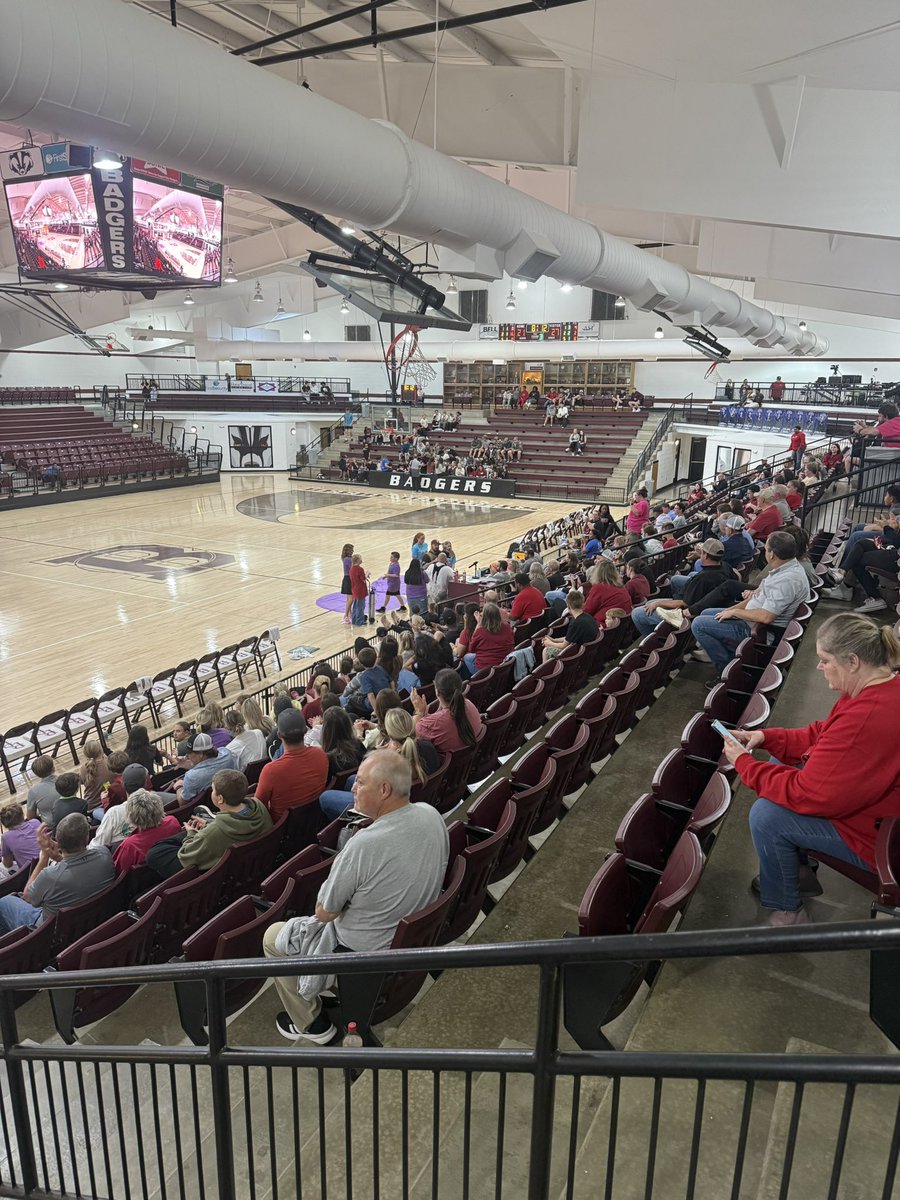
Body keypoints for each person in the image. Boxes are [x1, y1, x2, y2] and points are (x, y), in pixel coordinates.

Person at [722, 614, 900, 925]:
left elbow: (809, 794)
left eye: (824, 660)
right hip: (878, 810)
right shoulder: (878, 687)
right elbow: (823, 733)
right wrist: (765, 737)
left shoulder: (868, 717)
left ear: (853, 661)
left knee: (767, 817)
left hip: (884, 838)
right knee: (784, 762)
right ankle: (797, 870)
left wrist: (743, 763)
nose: (819, 667)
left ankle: (788, 911)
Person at [263, 751, 449, 1043]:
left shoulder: (363, 844)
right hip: (409, 936)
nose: (353, 788)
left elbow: (324, 912)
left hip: (363, 953)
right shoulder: (430, 814)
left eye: (360, 783)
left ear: (384, 789)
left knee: (273, 938)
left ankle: (311, 1023)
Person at [690, 531, 811, 675]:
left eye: (766, 549)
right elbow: (756, 600)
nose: (765, 552)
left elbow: (766, 617)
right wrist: (730, 611)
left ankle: (727, 670)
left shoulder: (787, 580)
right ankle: (728, 656)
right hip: (753, 618)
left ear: (772, 554)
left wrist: (735, 612)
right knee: (705, 612)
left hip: (760, 630)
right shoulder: (787, 569)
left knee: (698, 624)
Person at [0, 814, 115, 936]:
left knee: (4, 902)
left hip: (51, 933)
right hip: (93, 919)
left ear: (58, 844)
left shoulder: (50, 876)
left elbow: (27, 897)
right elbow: (77, 870)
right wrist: (58, 858)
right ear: (86, 838)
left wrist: (44, 857)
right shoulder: (105, 854)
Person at [256, 709, 330, 819]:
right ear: (305, 731)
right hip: (314, 820)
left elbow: (259, 807)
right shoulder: (321, 755)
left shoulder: (271, 771)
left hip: (282, 829)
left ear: (279, 735)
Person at [411, 668, 483, 753]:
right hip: (473, 759)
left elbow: (411, 733)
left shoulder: (432, 724)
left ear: (437, 692)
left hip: (454, 765)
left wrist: (419, 712)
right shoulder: (469, 704)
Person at [113, 790, 182, 874]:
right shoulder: (172, 821)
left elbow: (119, 872)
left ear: (131, 816)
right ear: (159, 807)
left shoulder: (130, 845)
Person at [173, 732, 236, 802]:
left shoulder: (191, 777)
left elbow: (183, 804)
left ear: (201, 754)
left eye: (189, 753)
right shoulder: (227, 753)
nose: (187, 756)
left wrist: (179, 787)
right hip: (230, 796)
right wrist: (191, 764)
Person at [542, 590, 599, 659]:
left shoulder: (576, 623)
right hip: (587, 652)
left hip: (578, 654)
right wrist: (554, 640)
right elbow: (568, 639)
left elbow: (564, 645)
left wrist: (549, 643)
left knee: (546, 650)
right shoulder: (588, 617)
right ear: (582, 603)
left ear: (568, 606)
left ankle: (547, 670)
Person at [463, 602, 515, 674]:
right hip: (505, 664)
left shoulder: (480, 631)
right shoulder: (507, 626)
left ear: (484, 616)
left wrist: (478, 624)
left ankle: (472, 682)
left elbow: (471, 649)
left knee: (466, 657)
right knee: (469, 657)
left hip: (485, 670)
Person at [583, 558, 632, 623]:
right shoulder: (621, 586)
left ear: (597, 573)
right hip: (621, 625)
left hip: (603, 625)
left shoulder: (599, 588)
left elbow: (587, 611)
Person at [0, 803, 41, 872]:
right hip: (48, 862)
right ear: (22, 815)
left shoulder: (6, 837)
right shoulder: (35, 822)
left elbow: (8, 864)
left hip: (30, 873)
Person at [25, 756, 58, 825]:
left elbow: (30, 817)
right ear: (53, 768)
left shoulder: (34, 790)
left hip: (51, 828)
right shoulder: (66, 779)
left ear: (36, 774)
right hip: (74, 820)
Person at [349, 553, 369, 627]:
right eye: (360, 558)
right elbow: (363, 579)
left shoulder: (351, 569)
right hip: (360, 590)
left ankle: (354, 620)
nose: (361, 559)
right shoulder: (360, 569)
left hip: (354, 589)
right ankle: (359, 622)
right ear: (357, 560)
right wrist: (367, 573)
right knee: (360, 607)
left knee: (355, 606)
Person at [339, 542, 354, 627]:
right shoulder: (348, 559)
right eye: (352, 550)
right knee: (350, 599)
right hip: (349, 579)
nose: (353, 551)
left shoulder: (345, 558)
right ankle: (346, 615)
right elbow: (352, 569)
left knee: (349, 598)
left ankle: (349, 615)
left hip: (347, 578)